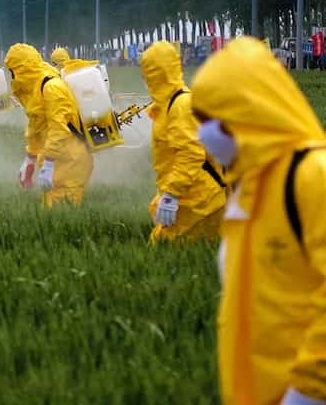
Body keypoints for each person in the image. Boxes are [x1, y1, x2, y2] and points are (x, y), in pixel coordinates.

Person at [192, 37, 326, 405]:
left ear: (248, 112)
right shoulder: (249, 189)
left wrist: (309, 392)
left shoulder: (312, 177)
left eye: (211, 119)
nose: (203, 133)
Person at [139, 41, 226, 243]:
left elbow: (191, 154)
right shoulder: (168, 104)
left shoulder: (180, 105)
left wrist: (171, 194)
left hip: (199, 201)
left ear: (158, 73)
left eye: (148, 73)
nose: (145, 79)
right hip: (191, 196)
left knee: (161, 252)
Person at [4, 43, 93, 208]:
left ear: (21, 69)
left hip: (71, 160)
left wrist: (49, 162)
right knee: (51, 209)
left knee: (62, 214)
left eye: (12, 70)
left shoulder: (51, 87)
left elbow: (59, 129)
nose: (11, 75)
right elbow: (36, 123)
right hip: (60, 158)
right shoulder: (36, 87)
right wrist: (30, 158)